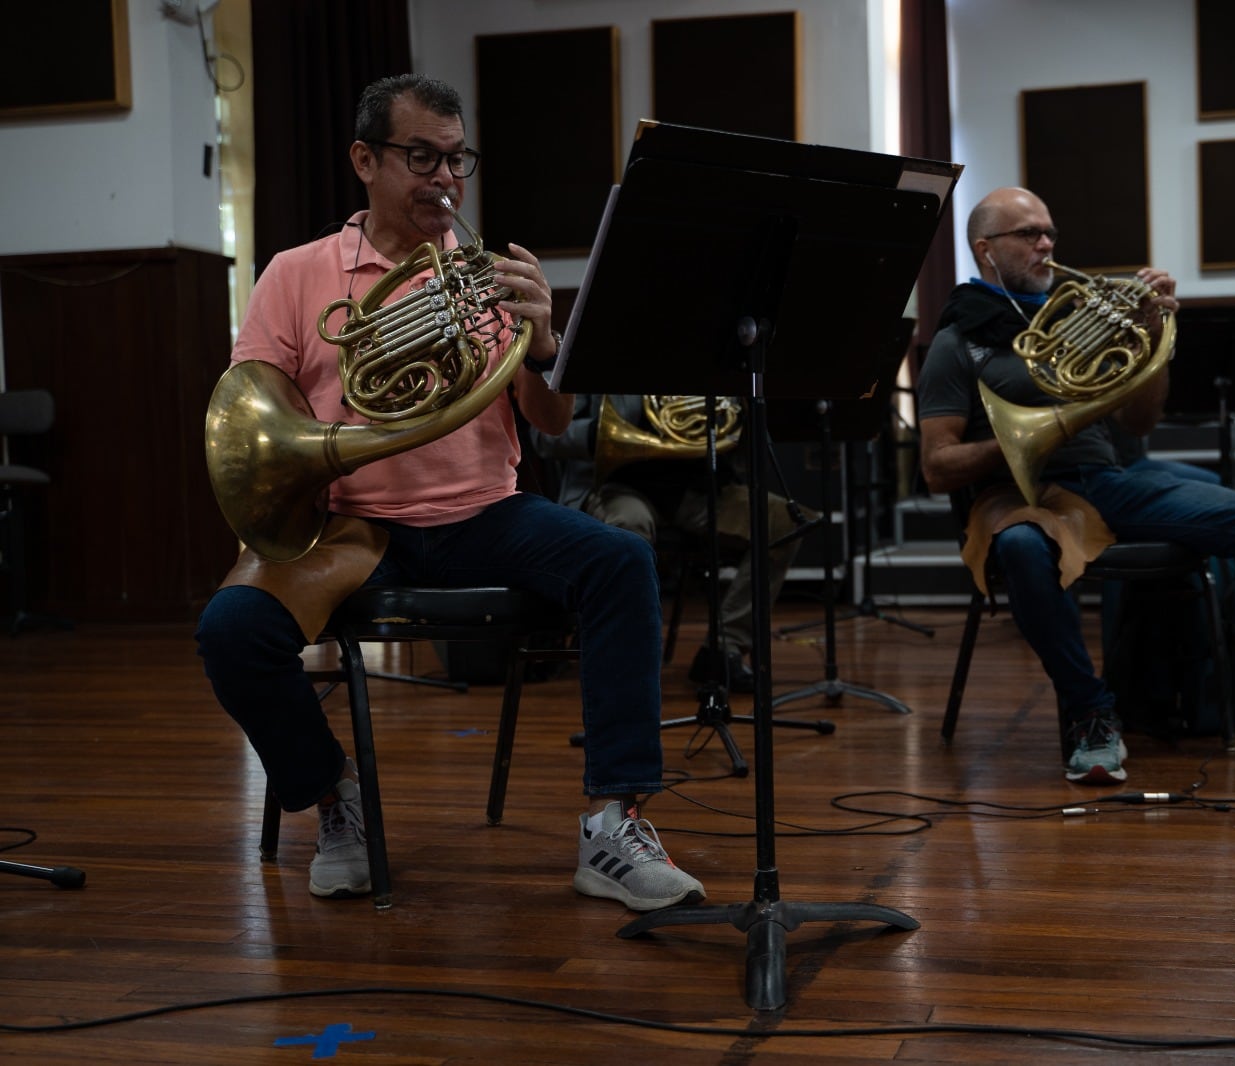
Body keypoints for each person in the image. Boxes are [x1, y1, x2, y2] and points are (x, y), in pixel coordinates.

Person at [194, 75, 705, 912]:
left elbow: (551, 420)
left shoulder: (487, 275)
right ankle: (334, 798)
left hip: (486, 514)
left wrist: (543, 342)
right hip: (350, 528)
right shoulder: (296, 274)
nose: (444, 179)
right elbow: (257, 414)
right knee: (230, 629)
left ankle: (615, 824)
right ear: (366, 160)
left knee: (620, 562)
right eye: (420, 157)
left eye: (456, 159)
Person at [916, 185, 1235, 784]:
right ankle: (1090, 713)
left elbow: (1140, 421)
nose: (1046, 244)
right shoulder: (958, 341)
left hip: (1104, 481)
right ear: (986, 249)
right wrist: (1030, 437)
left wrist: (1152, 331)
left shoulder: (1080, 310)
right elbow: (937, 467)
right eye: (1028, 234)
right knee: (1023, 550)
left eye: (1050, 231)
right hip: (1014, 498)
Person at [530, 393, 811, 693]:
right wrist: (599, 433)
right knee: (629, 534)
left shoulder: (716, 357)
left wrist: (741, 412)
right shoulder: (596, 353)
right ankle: (626, 656)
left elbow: (749, 443)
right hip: (618, 486)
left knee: (784, 523)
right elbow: (545, 437)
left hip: (699, 490)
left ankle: (724, 649)